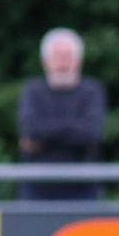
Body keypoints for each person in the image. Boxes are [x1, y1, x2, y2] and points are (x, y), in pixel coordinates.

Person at [17, 27, 106, 199]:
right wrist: (74, 132)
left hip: (83, 189)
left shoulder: (92, 91)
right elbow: (30, 129)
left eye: (68, 56)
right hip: (37, 188)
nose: (63, 62)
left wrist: (43, 141)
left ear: (79, 60)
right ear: (45, 61)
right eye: (57, 56)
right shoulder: (32, 91)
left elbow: (91, 133)